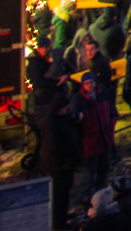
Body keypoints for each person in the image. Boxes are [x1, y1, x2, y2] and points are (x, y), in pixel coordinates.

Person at [40, 91, 82, 230]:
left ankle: (62, 216)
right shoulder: (51, 123)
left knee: (65, 193)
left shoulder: (61, 117)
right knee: (59, 195)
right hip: (58, 166)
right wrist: (69, 156)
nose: (67, 109)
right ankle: (58, 222)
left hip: (65, 165)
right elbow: (54, 145)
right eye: (65, 107)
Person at [73, 73, 116, 207]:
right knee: (89, 173)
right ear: (82, 85)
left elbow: (112, 111)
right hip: (90, 143)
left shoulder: (102, 93)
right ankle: (86, 198)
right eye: (86, 83)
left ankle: (100, 194)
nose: (90, 85)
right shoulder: (78, 100)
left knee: (103, 168)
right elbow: (75, 120)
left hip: (104, 138)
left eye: (91, 82)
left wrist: (110, 127)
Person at [26, 37, 68, 111]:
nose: (44, 50)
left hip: (55, 95)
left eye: (46, 47)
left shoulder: (53, 57)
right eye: (42, 47)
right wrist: (58, 81)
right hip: (43, 98)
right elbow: (38, 82)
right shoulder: (35, 62)